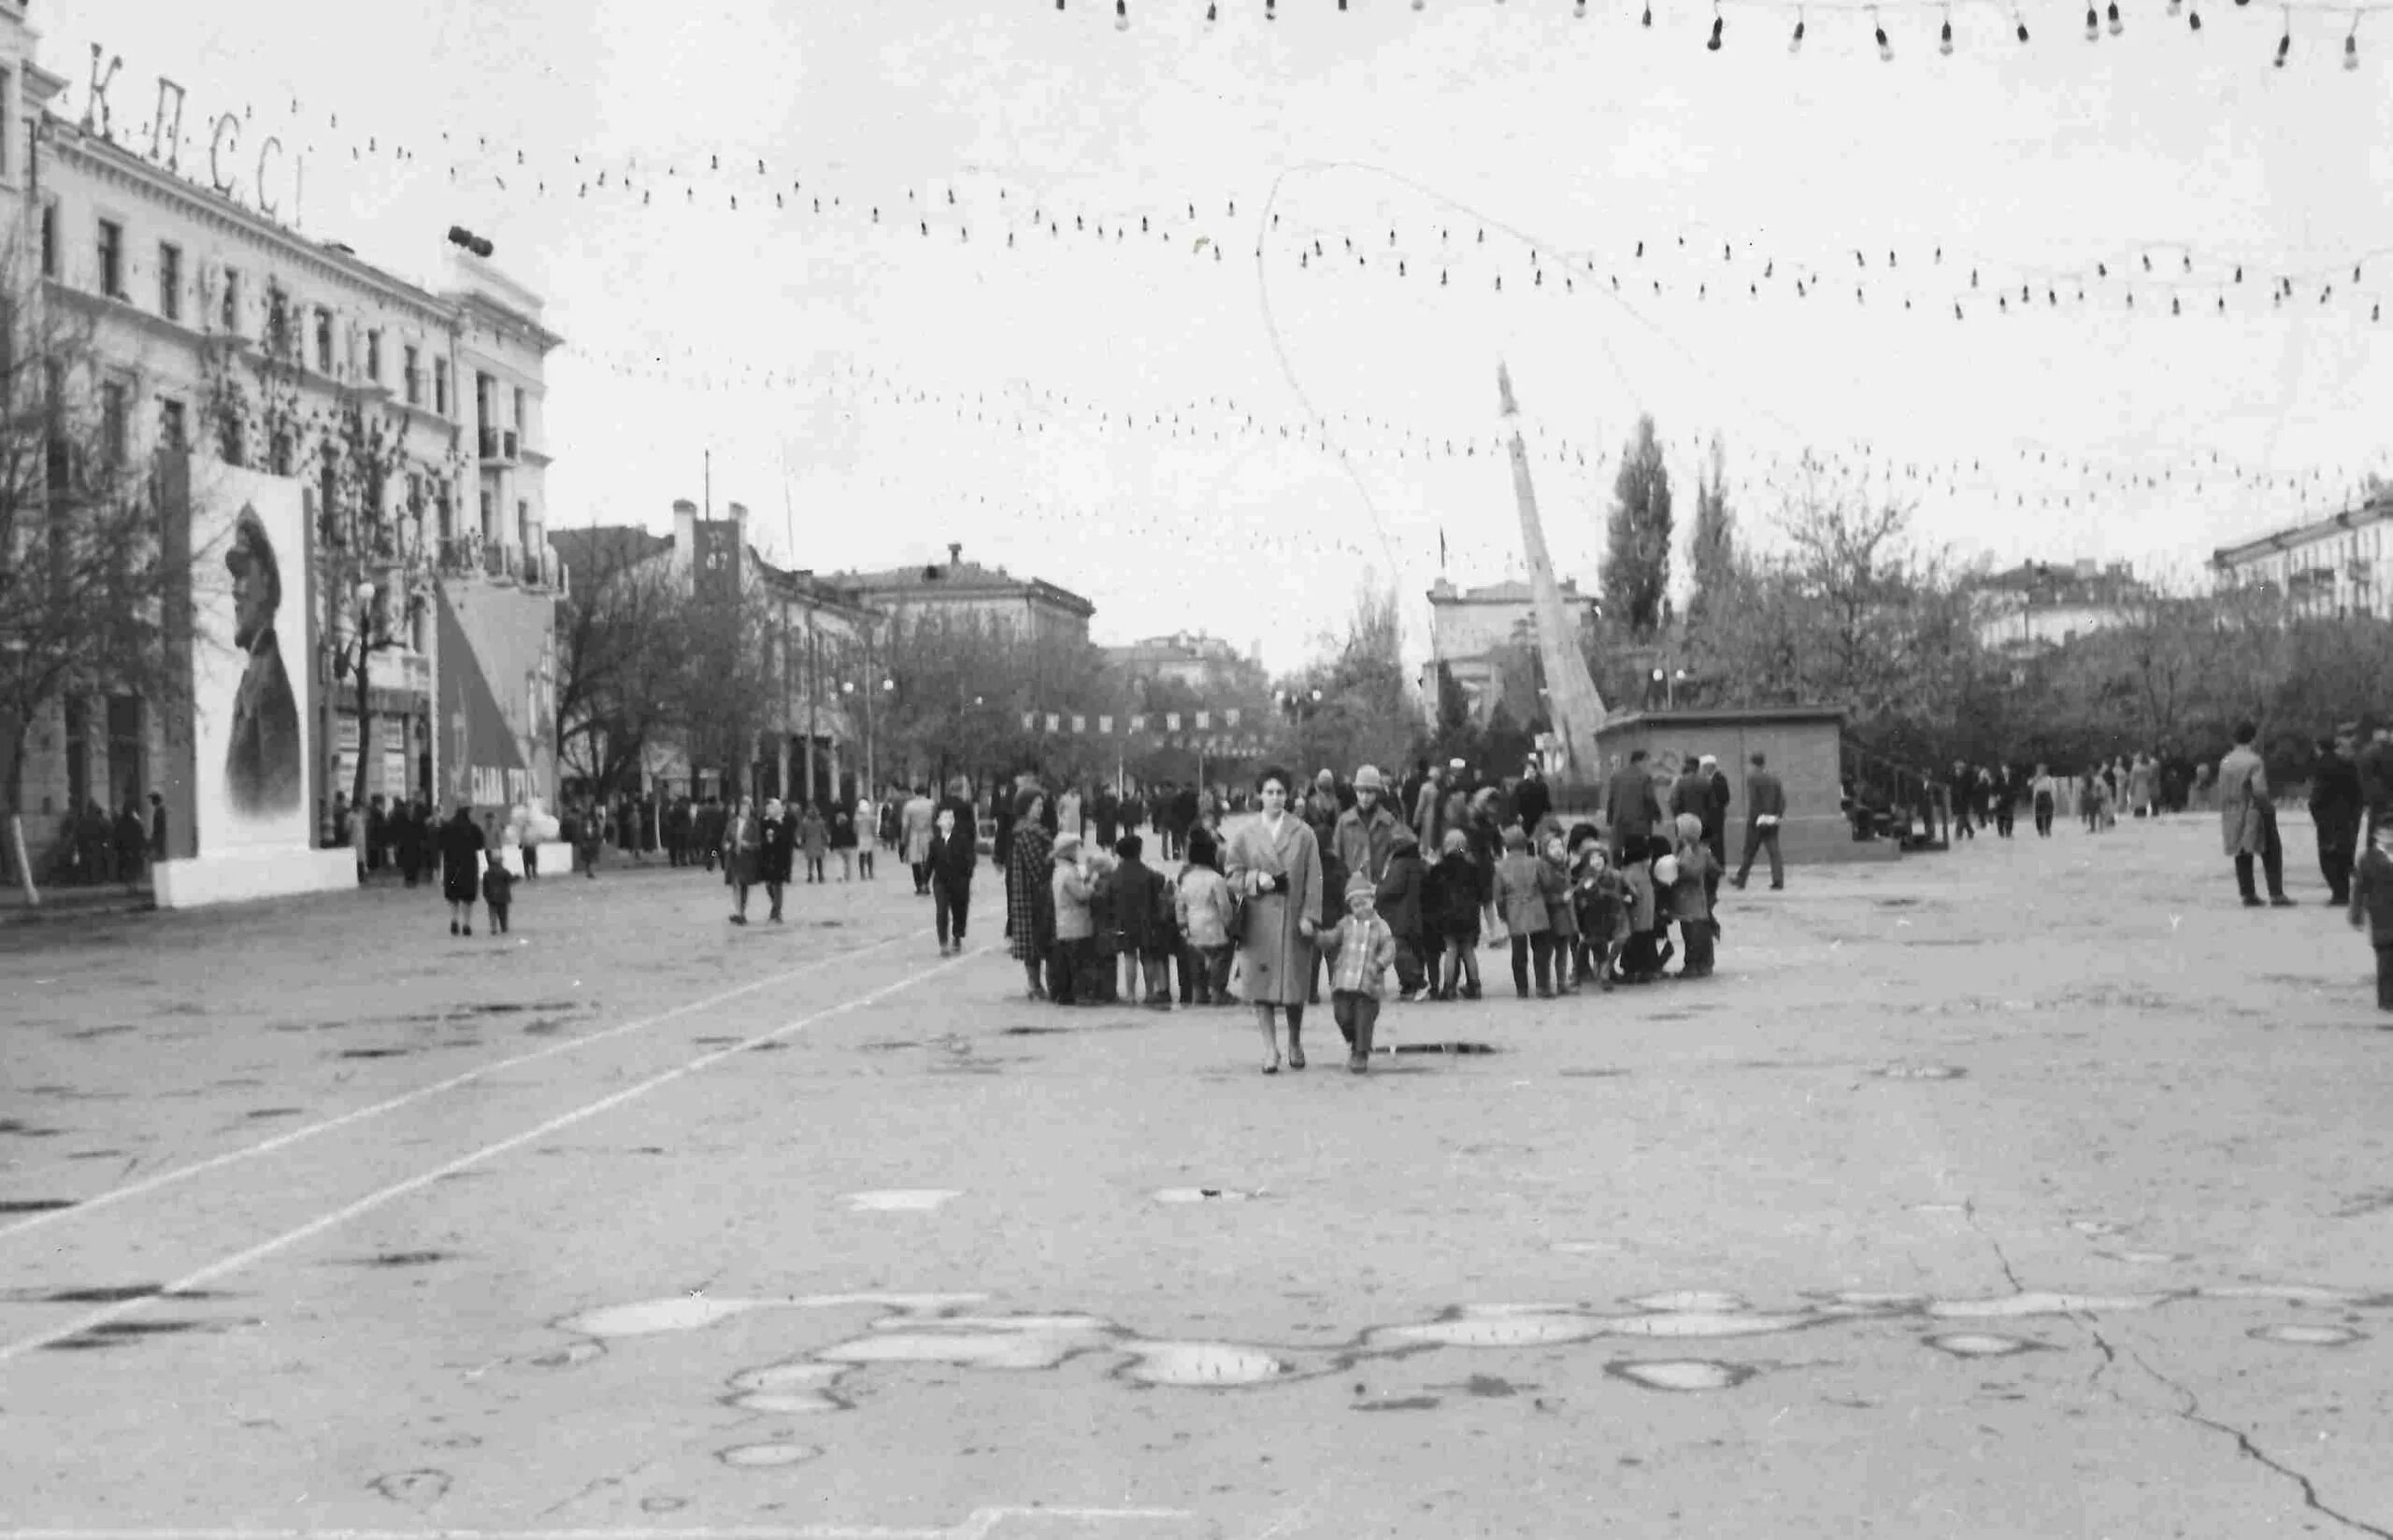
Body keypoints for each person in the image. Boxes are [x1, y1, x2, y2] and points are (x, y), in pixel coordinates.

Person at [1224, 766, 1324, 1074]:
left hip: (1293, 921)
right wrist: (1255, 880)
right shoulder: (1244, 834)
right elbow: (1231, 875)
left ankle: (1294, 1040)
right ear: (1259, 795)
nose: (1276, 798)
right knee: (1260, 988)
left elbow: (1314, 879)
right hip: (1259, 922)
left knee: (1294, 988)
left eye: (1281, 792)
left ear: (1288, 795)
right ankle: (1270, 1049)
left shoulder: (1304, 833)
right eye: (1269, 792)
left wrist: (1310, 915)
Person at [222, 509, 303, 819]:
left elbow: (279, 806)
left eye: (243, 575)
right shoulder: (257, 674)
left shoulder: (269, 684)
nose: (234, 590)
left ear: (266, 581)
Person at [1317, 874, 1397, 1073]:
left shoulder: (1381, 925)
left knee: (1363, 1018)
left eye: (1364, 903)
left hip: (1368, 984)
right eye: (1356, 905)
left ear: (1372, 901)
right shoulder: (1345, 924)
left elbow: (1390, 947)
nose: (1361, 909)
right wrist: (1316, 936)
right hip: (1344, 982)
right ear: (1350, 907)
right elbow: (1331, 939)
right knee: (1342, 1016)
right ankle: (1356, 1040)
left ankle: (1360, 1052)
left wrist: (1379, 964)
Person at [2219, 722, 2293, 907]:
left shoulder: (2225, 761)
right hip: (2253, 809)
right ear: (2253, 738)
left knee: (2241, 851)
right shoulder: (2254, 761)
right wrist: (2268, 809)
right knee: (2270, 849)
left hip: (2231, 809)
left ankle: (2248, 893)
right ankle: (2276, 893)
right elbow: (2259, 790)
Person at [1493, 824, 1558, 999]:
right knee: (1541, 950)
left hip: (1514, 910)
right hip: (1537, 908)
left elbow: (1498, 896)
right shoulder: (1536, 862)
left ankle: (1522, 989)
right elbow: (1548, 884)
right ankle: (1542, 986)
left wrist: (1502, 914)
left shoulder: (1500, 867)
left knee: (1519, 953)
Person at [1005, 790, 1059, 1000]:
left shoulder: (1032, 831)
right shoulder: (1027, 833)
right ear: (1025, 807)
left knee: (1035, 943)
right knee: (1036, 942)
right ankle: (1035, 985)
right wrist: (1055, 856)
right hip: (1032, 896)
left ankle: (1036, 985)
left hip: (1032, 894)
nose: (1040, 808)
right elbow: (1038, 868)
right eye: (1037, 804)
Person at [1177, 828, 1239, 1006]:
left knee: (1196, 964)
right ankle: (1217, 992)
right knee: (1222, 956)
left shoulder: (1186, 878)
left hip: (1193, 927)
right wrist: (1229, 926)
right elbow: (1224, 907)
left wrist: (1183, 924)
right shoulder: (1216, 879)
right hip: (1214, 927)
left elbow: (1180, 904)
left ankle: (1199, 994)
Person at [1111, 834, 1173, 1008]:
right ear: (1138, 851)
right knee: (1148, 958)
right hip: (1147, 921)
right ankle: (1150, 992)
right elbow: (1160, 882)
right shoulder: (1148, 874)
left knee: (1129, 956)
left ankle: (1130, 994)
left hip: (1124, 922)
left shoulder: (1116, 875)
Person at [1426, 828, 1483, 1002]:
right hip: (1469, 916)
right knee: (1468, 950)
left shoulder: (1440, 868)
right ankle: (1475, 986)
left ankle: (1448, 988)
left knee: (1451, 949)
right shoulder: (1472, 866)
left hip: (1448, 916)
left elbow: (1431, 893)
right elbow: (1480, 892)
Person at [1373, 825, 1427, 1003]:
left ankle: (1417, 982)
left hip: (1399, 916)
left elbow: (1391, 889)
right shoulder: (1417, 861)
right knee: (1412, 950)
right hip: (1414, 914)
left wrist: (1376, 891)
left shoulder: (1400, 864)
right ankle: (1409, 987)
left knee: (1400, 950)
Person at [2312, 730, 2365, 905]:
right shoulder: (2347, 764)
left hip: (2328, 817)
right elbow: (2358, 792)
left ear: (2318, 748)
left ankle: (2339, 893)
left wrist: (2316, 813)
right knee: (2342, 855)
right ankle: (2343, 892)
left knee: (2327, 857)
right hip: (2347, 817)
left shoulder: (2322, 766)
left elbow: (2318, 795)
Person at [2350, 821, 2393, 1015]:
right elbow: (2360, 888)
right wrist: (2356, 914)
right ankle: (2386, 1000)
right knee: (2385, 959)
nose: (2389, 837)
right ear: (2377, 836)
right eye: (2385, 834)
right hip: (2381, 915)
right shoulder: (2368, 859)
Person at [1050, 833, 1095, 1007]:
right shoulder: (1068, 873)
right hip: (1075, 924)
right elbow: (1081, 895)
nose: (1077, 852)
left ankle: (1065, 995)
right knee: (1078, 963)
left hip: (1064, 924)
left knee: (1066, 964)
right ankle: (1079, 996)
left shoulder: (1059, 871)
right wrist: (1091, 884)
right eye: (1074, 849)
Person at [928, 800, 977, 957]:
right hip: (941, 881)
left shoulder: (962, 839)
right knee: (942, 910)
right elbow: (930, 861)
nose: (948, 821)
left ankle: (957, 935)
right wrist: (924, 878)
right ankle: (943, 942)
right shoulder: (934, 842)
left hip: (959, 880)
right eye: (945, 818)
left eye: (951, 818)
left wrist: (967, 874)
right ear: (938, 822)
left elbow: (970, 858)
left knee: (959, 909)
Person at [1731, 751, 1786, 891]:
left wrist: (1754, 819)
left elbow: (1754, 801)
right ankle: (1778, 881)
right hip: (1772, 820)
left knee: (1749, 851)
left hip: (1757, 821)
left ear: (1753, 764)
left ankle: (1741, 880)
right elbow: (1782, 799)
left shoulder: (1752, 778)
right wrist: (1777, 815)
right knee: (1774, 852)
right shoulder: (1774, 778)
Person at [1604, 749, 1662, 863]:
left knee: (1618, 856)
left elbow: (1611, 800)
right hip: (1639, 826)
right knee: (1638, 858)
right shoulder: (1644, 777)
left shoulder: (1617, 776)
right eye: (1648, 761)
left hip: (1619, 824)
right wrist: (1657, 815)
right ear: (1642, 760)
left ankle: (1618, 877)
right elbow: (1649, 799)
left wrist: (1610, 820)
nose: (1649, 765)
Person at [437, 801, 485, 936]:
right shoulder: (474, 828)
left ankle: (454, 919)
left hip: (451, 866)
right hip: (468, 866)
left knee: (453, 895)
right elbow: (480, 845)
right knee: (467, 897)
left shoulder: (447, 826)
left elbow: (440, 844)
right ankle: (466, 924)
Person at [723, 795, 761, 925]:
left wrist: (748, 845)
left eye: (747, 809)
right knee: (736, 884)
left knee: (743, 886)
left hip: (746, 859)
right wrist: (724, 847)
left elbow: (758, 844)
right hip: (733, 859)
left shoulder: (753, 825)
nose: (745, 811)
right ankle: (739, 912)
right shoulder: (731, 824)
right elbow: (723, 841)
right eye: (743, 809)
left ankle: (741, 912)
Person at [760, 796, 795, 923]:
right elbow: (760, 837)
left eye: (771, 807)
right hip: (767, 857)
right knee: (769, 885)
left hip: (781, 858)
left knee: (778, 885)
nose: (769, 810)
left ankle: (776, 912)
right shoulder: (764, 822)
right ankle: (775, 908)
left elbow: (788, 840)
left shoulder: (785, 821)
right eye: (767, 808)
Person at [902, 785, 938, 895]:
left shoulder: (909, 805)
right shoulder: (932, 804)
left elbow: (905, 825)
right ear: (925, 792)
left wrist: (904, 841)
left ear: (914, 792)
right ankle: (926, 883)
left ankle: (918, 885)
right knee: (928, 860)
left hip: (915, 834)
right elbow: (937, 820)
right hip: (929, 833)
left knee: (915, 861)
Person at [481, 848, 515, 936]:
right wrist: (518, 877)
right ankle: (503, 927)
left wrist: (486, 896)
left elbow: (485, 887)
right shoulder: (504, 871)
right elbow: (511, 880)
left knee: (492, 914)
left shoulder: (486, 873)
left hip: (491, 898)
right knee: (503, 914)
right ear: (500, 861)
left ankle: (493, 929)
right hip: (503, 897)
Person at [796, 801, 829, 884]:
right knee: (819, 861)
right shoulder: (820, 822)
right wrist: (826, 840)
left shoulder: (805, 822)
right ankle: (820, 876)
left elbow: (802, 833)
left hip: (809, 842)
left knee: (810, 861)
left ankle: (810, 876)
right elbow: (824, 832)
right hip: (818, 843)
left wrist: (801, 841)